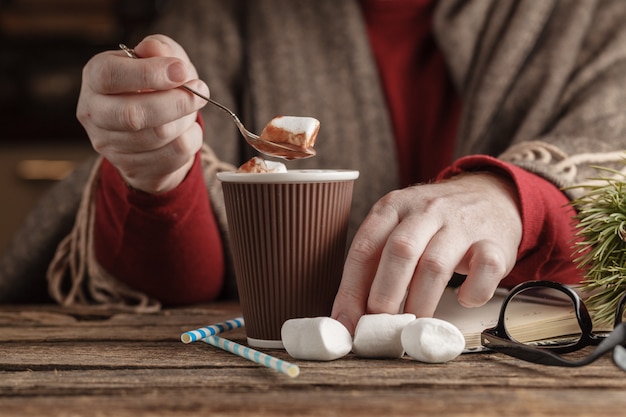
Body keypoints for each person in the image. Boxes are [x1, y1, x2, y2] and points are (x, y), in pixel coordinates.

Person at [2, 1, 625, 334]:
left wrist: (513, 198)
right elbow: (175, 284)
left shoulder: (598, 18)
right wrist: (156, 178)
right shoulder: (224, 17)